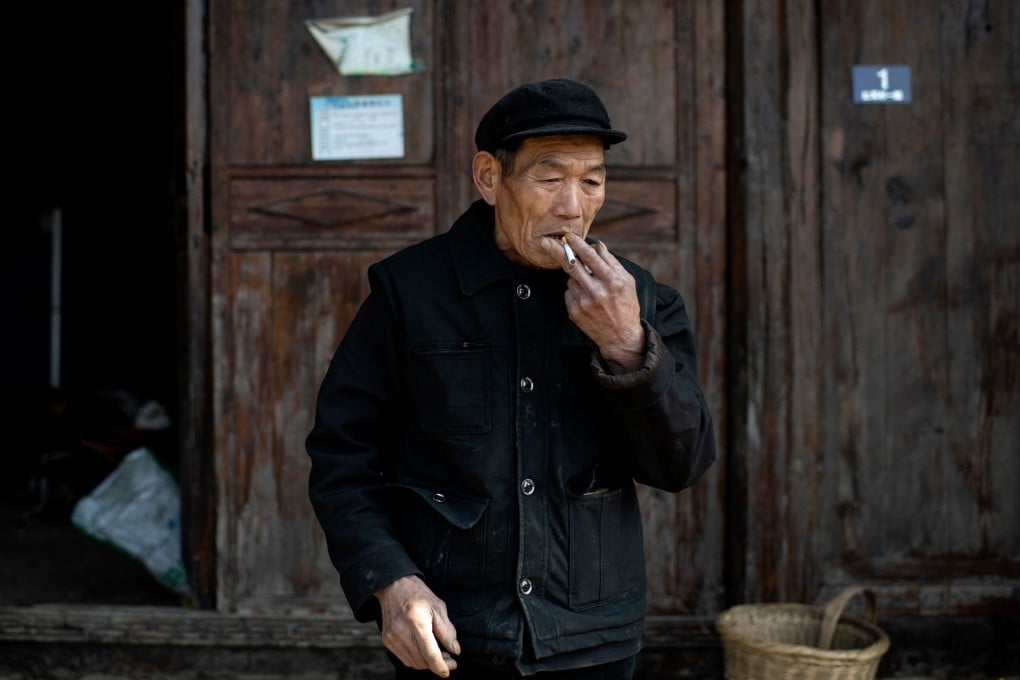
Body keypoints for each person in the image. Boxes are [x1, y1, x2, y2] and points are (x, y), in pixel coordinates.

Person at [306, 78, 716, 679]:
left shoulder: (641, 302)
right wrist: (391, 583)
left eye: (593, 181)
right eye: (549, 179)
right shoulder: (409, 293)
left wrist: (628, 347)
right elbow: (343, 455)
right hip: (452, 634)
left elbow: (681, 465)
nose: (573, 206)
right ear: (490, 179)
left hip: (593, 639)